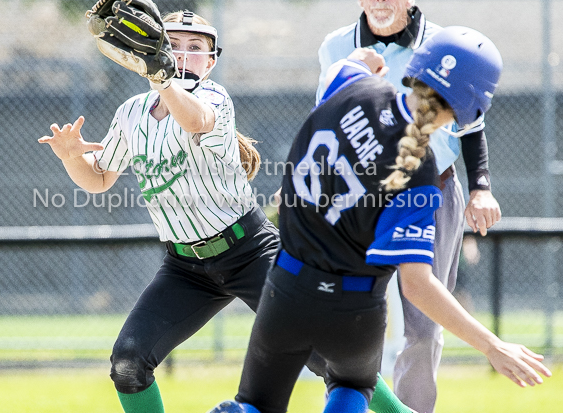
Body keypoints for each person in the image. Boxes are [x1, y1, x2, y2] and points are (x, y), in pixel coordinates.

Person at [207, 27, 551, 413]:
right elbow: (417, 286)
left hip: (285, 288)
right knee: (352, 383)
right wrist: (492, 345)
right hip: (354, 309)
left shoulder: (355, 87)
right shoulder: (420, 173)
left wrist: (365, 61)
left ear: (416, 67)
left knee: (254, 403)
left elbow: (345, 66)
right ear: (470, 109)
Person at [39, 10, 282, 413]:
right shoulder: (132, 112)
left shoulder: (214, 97)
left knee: (325, 353)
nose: (183, 55)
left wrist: (163, 78)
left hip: (250, 252)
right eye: (172, 45)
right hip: (185, 268)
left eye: (195, 48)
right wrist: (69, 158)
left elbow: (195, 119)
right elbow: (100, 179)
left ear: (211, 61)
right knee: (128, 364)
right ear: (149, 51)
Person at [316, 0, 502, 411]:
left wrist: (480, 186)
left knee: (422, 324)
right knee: (350, 318)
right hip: (363, 197)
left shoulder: (443, 43)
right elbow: (329, 119)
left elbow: (471, 123)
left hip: (430, 191)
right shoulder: (335, 46)